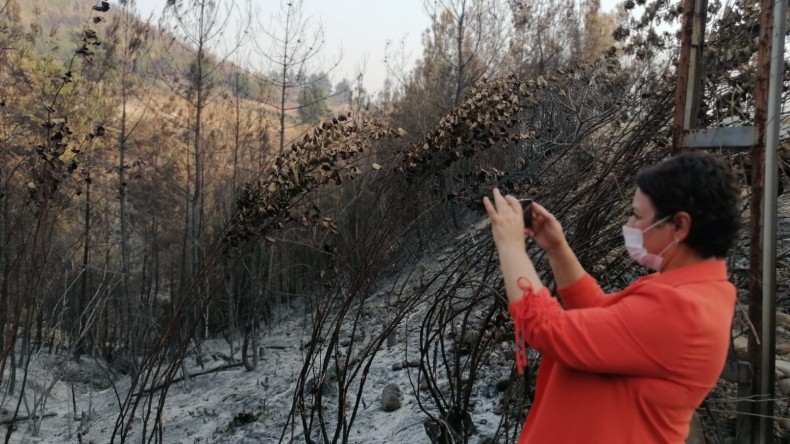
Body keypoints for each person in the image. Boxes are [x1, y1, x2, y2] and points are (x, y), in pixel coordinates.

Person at [482, 151, 740, 443]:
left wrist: (510, 246)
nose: (629, 224)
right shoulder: (697, 292)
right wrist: (556, 248)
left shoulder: (684, 309)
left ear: (679, 226)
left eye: (638, 215)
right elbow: (602, 314)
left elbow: (546, 330)